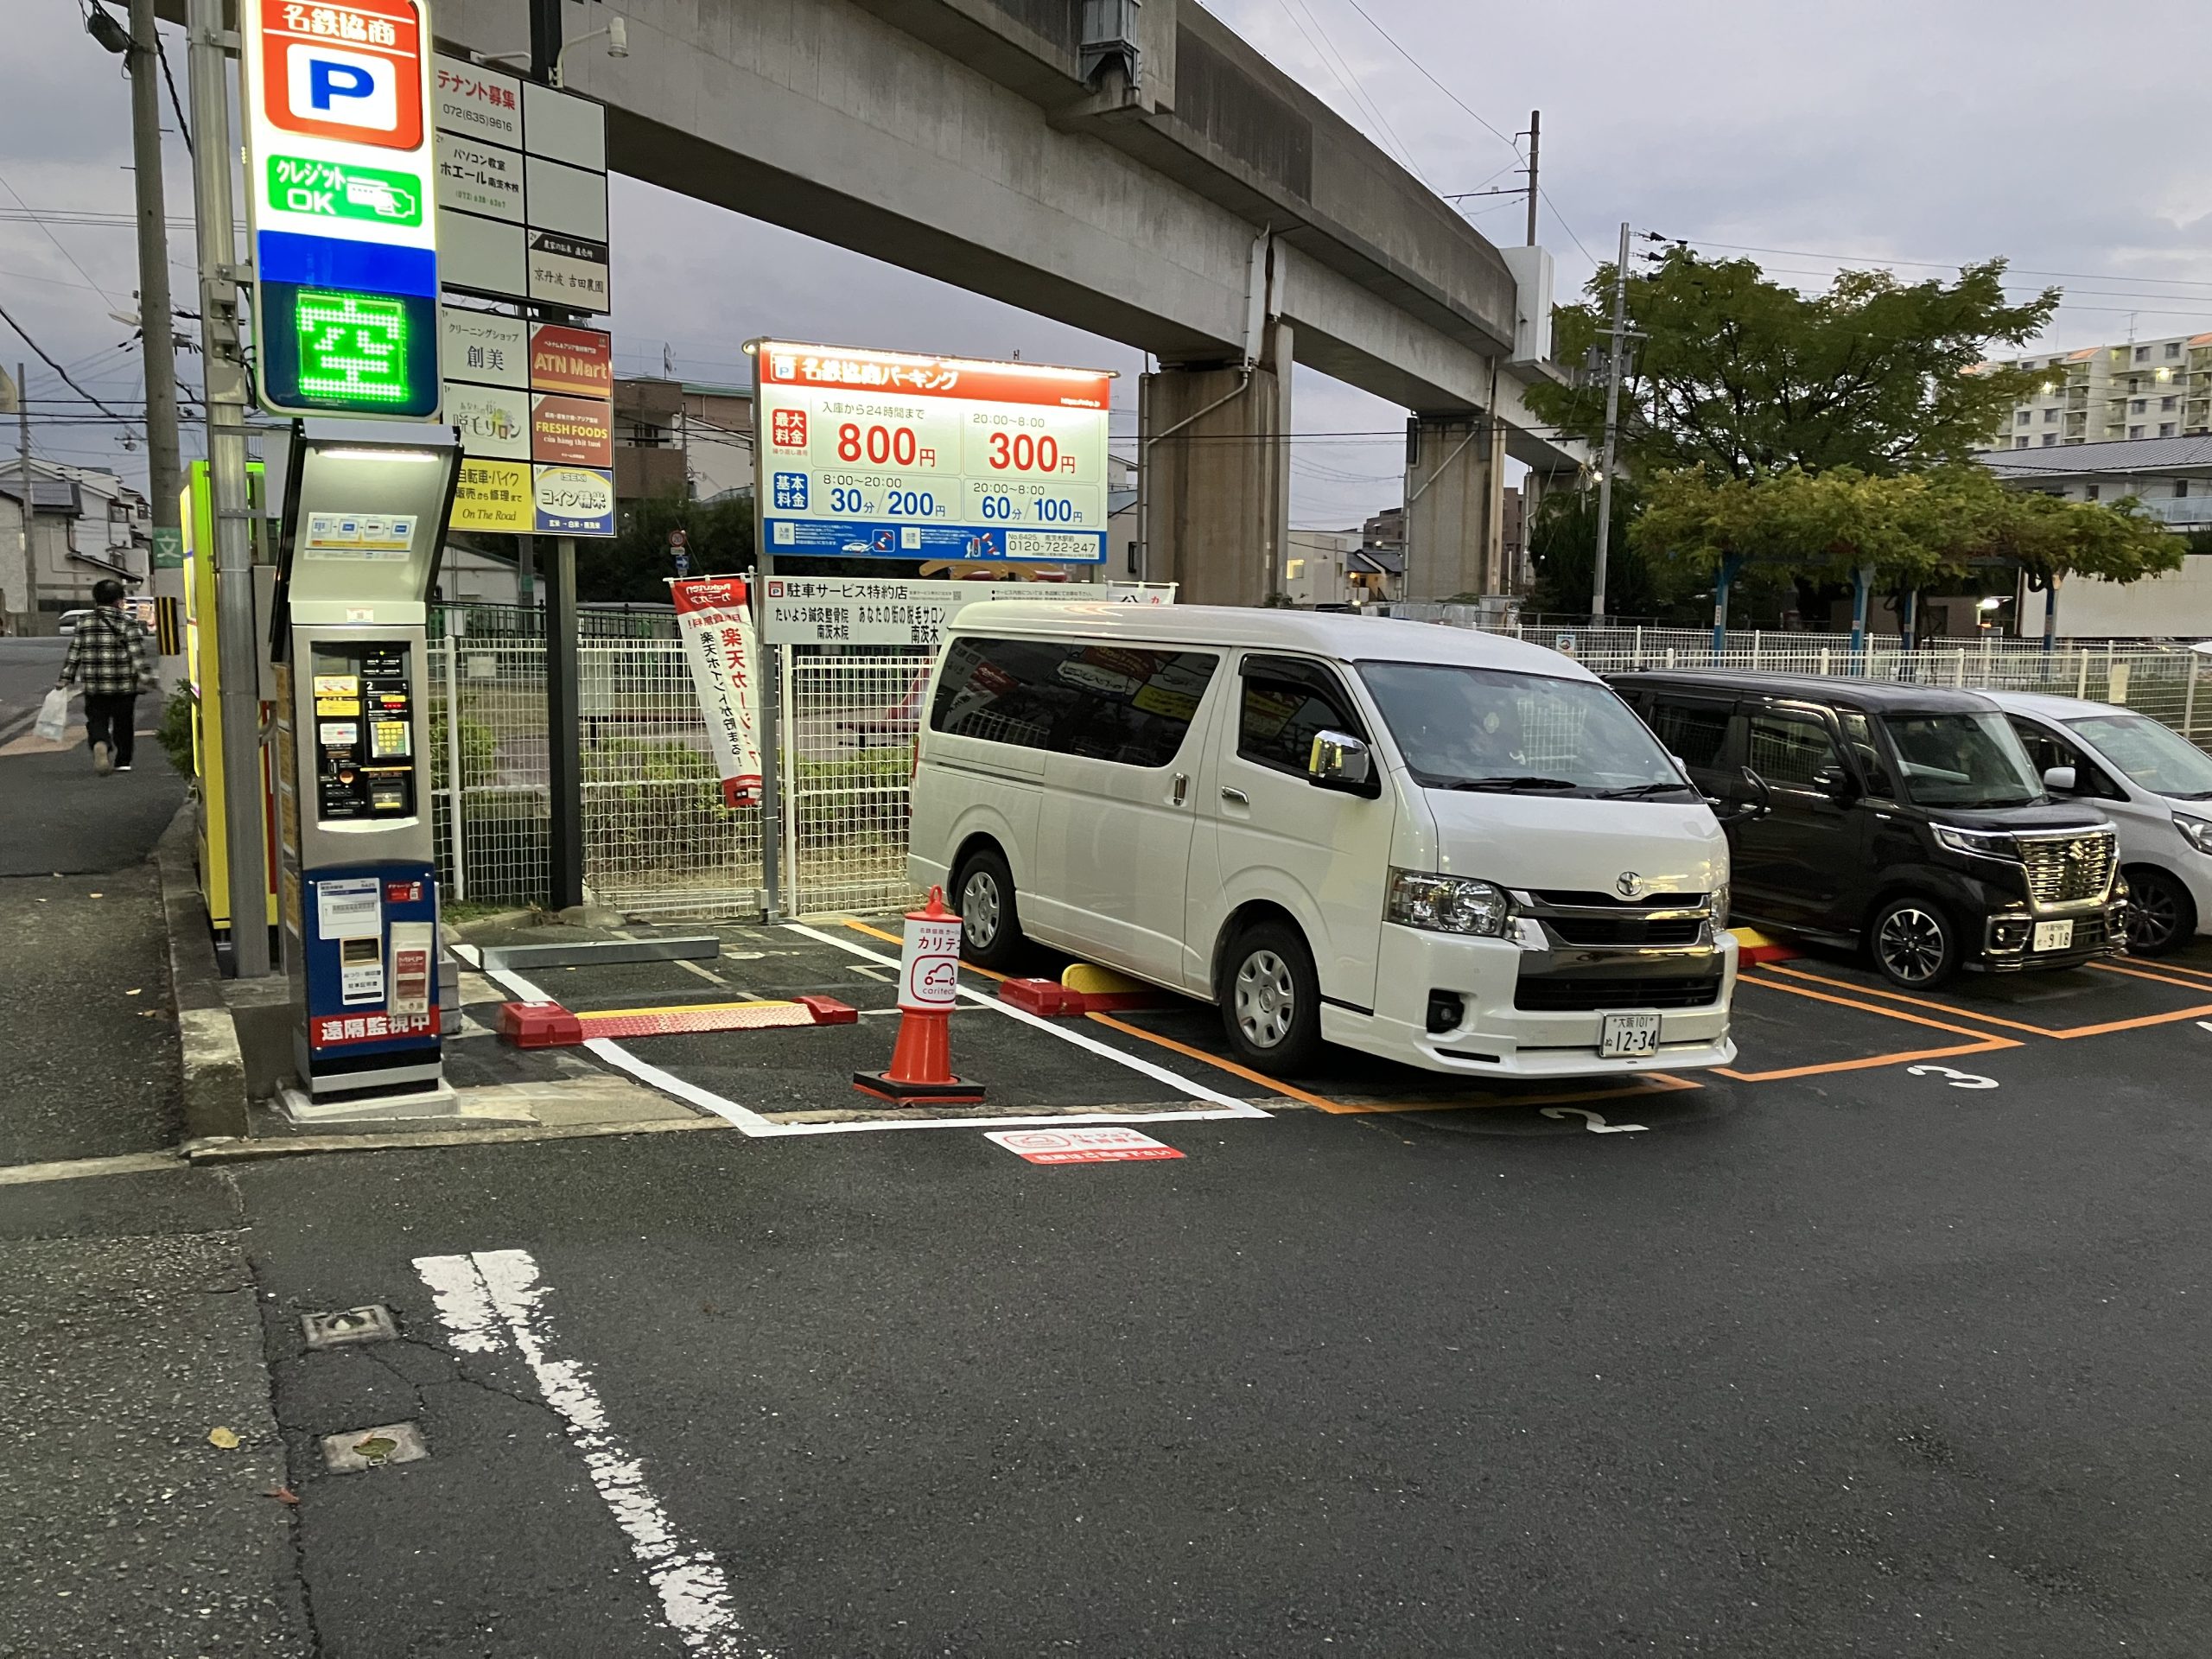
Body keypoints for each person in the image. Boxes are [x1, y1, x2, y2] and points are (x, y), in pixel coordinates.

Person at [56, 578, 156, 774]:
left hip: (95, 685)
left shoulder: (84, 621)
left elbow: (75, 652)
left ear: (96, 600)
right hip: (124, 686)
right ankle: (123, 761)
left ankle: (101, 742)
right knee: (123, 723)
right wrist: (147, 678)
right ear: (120, 601)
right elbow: (137, 654)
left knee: (96, 720)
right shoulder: (128, 622)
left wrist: (65, 678)